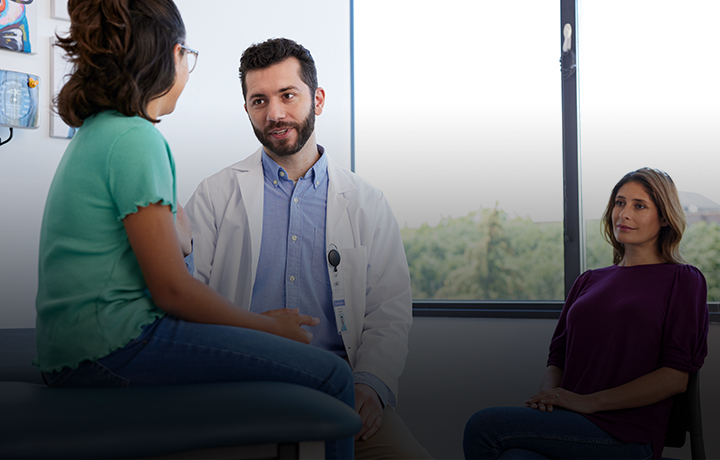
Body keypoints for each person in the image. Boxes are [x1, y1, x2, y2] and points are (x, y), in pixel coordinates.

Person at [33, 2, 354, 459]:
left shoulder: (103, 132)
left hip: (77, 345)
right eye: (260, 100)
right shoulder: (136, 139)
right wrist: (269, 328)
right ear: (174, 55)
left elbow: (174, 244)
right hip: (112, 347)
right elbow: (174, 292)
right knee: (334, 375)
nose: (273, 112)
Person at [185, 38, 431, 460]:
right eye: (258, 100)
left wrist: (369, 386)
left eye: (287, 95)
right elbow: (187, 299)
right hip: (243, 388)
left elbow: (388, 312)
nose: (274, 114)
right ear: (246, 108)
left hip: (342, 393)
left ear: (316, 98)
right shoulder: (214, 195)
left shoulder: (366, 202)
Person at [463, 168, 709, 460]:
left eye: (639, 205)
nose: (624, 213)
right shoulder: (588, 279)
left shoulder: (683, 279)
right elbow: (558, 356)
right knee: (514, 457)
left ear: (665, 217)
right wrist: (548, 401)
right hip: (570, 421)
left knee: (484, 426)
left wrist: (588, 403)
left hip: (626, 435)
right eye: (619, 202)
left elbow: (674, 378)